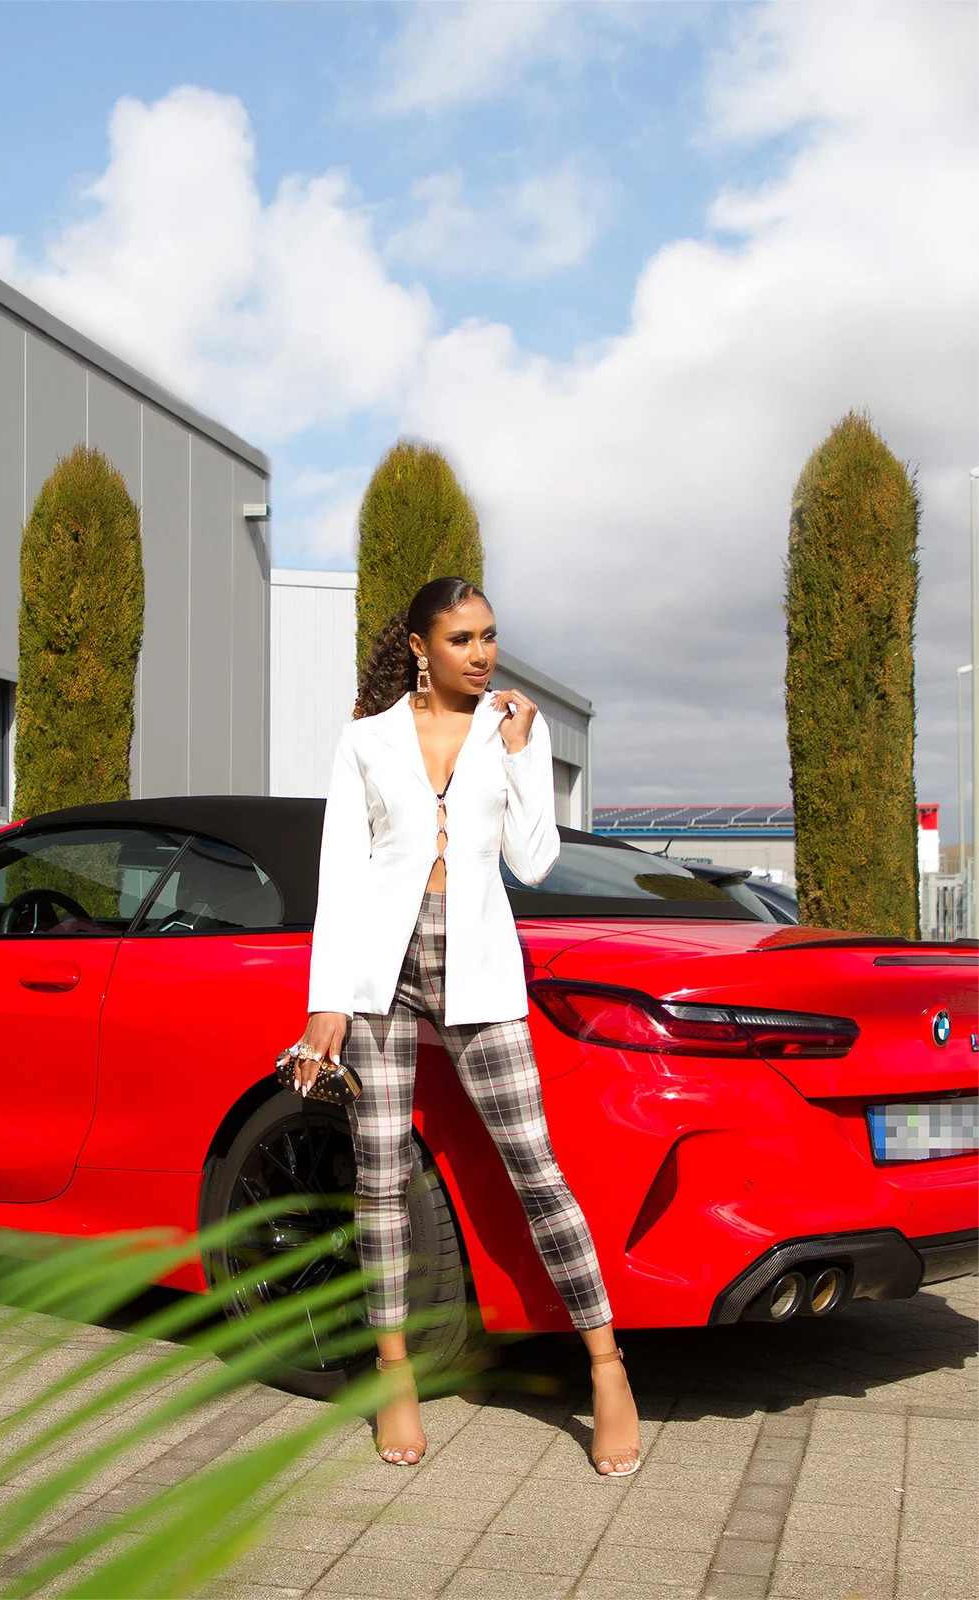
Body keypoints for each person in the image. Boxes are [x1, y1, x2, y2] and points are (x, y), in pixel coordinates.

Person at [292, 576, 642, 1475]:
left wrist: (522, 755)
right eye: (461, 639)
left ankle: (607, 1367)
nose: (482, 654)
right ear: (420, 646)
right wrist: (328, 998)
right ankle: (395, 1376)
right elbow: (341, 870)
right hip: (380, 972)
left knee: (536, 1167)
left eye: (488, 636)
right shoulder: (365, 740)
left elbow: (534, 859)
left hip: (480, 968)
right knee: (379, 1180)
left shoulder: (513, 726)